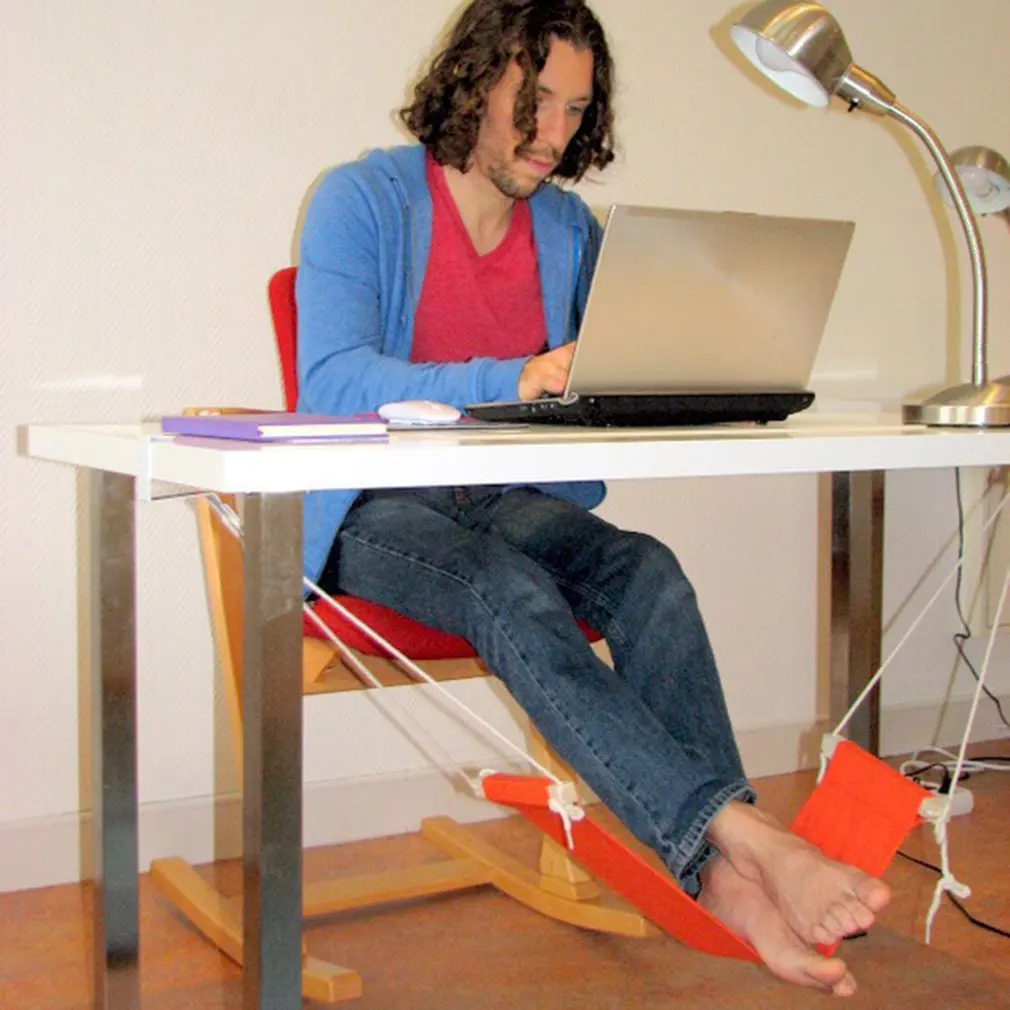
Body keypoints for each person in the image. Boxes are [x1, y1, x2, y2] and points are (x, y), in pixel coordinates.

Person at [295, 0, 889, 997]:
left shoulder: (567, 229)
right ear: (471, 81)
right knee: (509, 590)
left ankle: (721, 877)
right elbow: (331, 380)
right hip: (374, 509)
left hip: (502, 496)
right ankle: (744, 839)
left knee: (647, 572)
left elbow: (610, 367)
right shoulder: (360, 200)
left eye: (574, 110)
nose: (553, 133)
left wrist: (702, 379)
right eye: (532, 101)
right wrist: (513, 376)